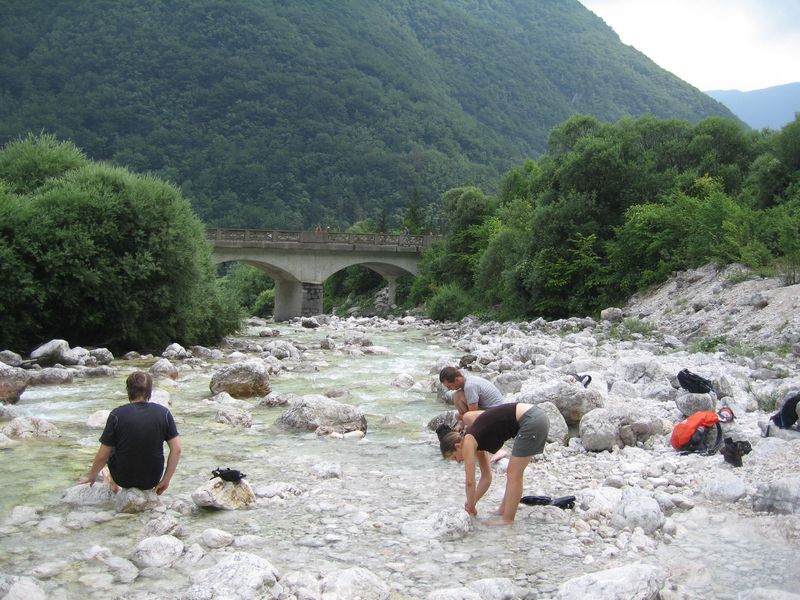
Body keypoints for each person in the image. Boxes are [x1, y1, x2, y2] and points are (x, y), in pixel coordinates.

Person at [439, 402, 549, 525]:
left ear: (458, 446)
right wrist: (473, 502)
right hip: (534, 418)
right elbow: (487, 477)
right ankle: (503, 509)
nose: (458, 461)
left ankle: (508, 519)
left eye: (454, 457)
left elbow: (470, 482)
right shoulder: (477, 442)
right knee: (512, 473)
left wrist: (471, 506)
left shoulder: (468, 442)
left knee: (514, 474)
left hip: (531, 420)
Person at [80, 371, 181, 495]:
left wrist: (92, 476)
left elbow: (103, 456)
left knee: (112, 445)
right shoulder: (164, 413)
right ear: (149, 391)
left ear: (128, 390)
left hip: (123, 479)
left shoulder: (117, 415)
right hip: (151, 479)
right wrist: (165, 480)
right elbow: (176, 450)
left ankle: (113, 482)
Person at [439, 366, 505, 431]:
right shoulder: (467, 380)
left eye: (449, 386)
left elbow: (473, 412)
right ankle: (466, 424)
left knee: (460, 413)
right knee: (457, 397)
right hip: (491, 410)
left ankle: (474, 428)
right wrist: (461, 422)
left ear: (457, 380)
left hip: (496, 415)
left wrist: (462, 418)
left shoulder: (469, 386)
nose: (449, 389)